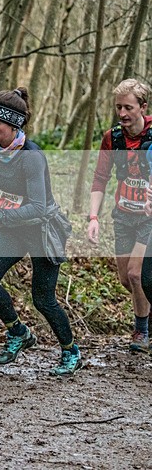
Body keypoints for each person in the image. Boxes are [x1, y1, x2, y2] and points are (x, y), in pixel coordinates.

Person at [0, 87, 82, 375]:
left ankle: (71, 351)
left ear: (14, 124)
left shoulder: (32, 156)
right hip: (12, 228)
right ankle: (18, 332)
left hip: (41, 230)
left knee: (43, 299)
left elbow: (38, 207)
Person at [88, 79, 152, 354]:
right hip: (123, 215)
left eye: (128, 107)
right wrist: (93, 217)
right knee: (127, 279)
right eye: (118, 108)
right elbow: (100, 178)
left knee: (137, 274)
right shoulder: (112, 138)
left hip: (149, 218)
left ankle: (142, 331)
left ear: (143, 107)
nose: (122, 113)